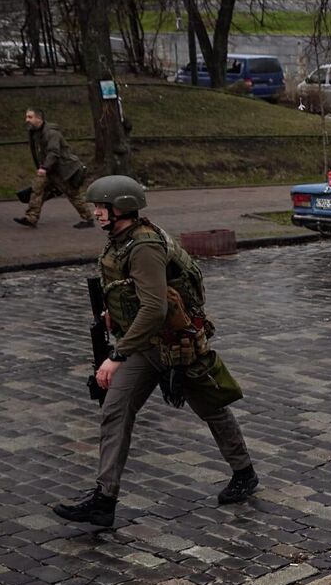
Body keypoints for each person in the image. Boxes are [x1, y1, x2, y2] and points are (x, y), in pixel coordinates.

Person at [53, 176, 257, 529]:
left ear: (122, 208)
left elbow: (155, 309)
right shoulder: (120, 241)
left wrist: (116, 356)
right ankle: (105, 499)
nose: (97, 212)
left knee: (210, 406)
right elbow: (133, 296)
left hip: (174, 344)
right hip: (145, 345)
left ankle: (244, 472)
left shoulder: (144, 245)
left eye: (102, 207)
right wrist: (113, 315)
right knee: (115, 411)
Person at [16, 108, 96, 229]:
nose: (27, 120)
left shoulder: (51, 133)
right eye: (27, 117)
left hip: (62, 170)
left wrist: (44, 167)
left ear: (39, 118)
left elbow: (54, 152)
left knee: (72, 194)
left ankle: (88, 219)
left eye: (30, 117)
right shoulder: (34, 131)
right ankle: (31, 217)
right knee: (38, 190)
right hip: (49, 169)